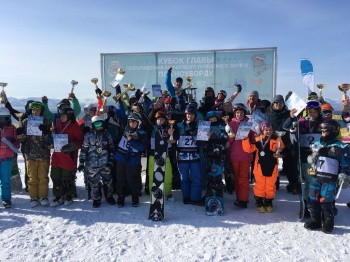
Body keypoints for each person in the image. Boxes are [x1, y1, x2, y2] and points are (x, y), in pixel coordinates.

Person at [304, 119, 350, 234]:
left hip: (330, 179)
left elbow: (346, 163)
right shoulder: (318, 144)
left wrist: (344, 175)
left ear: (333, 132)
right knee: (313, 198)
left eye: (326, 132)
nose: (323, 134)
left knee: (326, 200)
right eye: (322, 132)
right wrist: (311, 158)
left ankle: (328, 221)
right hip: (316, 176)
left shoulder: (341, 147)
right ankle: (315, 219)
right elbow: (313, 157)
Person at [283, 100, 323, 217]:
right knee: (307, 182)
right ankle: (306, 206)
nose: (312, 114)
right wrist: (291, 117)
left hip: (319, 157)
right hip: (305, 157)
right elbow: (285, 127)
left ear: (319, 112)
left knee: (317, 182)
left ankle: (318, 205)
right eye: (310, 112)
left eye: (314, 112)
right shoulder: (301, 122)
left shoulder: (323, 123)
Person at [242, 121, 284, 212]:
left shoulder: (276, 139)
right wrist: (245, 140)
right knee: (260, 185)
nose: (268, 132)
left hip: (272, 167)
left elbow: (281, 149)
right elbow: (248, 149)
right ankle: (259, 201)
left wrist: (280, 148)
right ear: (262, 130)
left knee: (270, 185)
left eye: (270, 130)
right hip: (259, 168)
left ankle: (268, 201)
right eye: (266, 130)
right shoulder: (257, 139)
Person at [17, 102, 52, 207]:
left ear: (41, 111)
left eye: (38, 110)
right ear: (30, 111)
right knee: (32, 178)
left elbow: (51, 139)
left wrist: (46, 132)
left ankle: (43, 196)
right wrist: (20, 135)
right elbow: (22, 139)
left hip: (43, 153)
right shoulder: (25, 122)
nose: (35, 112)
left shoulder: (46, 122)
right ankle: (33, 197)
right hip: (30, 153)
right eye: (33, 110)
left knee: (43, 177)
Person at [78, 116, 116, 208]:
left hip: (105, 163)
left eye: (100, 124)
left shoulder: (107, 135)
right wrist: (81, 162)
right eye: (96, 124)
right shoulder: (88, 135)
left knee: (108, 181)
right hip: (92, 163)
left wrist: (111, 160)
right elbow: (84, 149)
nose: (99, 126)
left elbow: (112, 148)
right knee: (94, 182)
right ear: (92, 125)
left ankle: (109, 196)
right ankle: (96, 199)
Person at [50, 107, 83, 207]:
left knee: (67, 177)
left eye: (64, 116)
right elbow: (54, 135)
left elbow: (81, 141)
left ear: (69, 116)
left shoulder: (74, 126)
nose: (62, 117)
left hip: (68, 157)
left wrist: (71, 146)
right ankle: (58, 196)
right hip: (57, 155)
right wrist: (51, 142)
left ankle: (69, 195)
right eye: (61, 115)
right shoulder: (58, 123)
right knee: (55, 176)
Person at [115, 113, 147, 207]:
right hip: (120, 158)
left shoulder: (141, 134)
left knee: (132, 179)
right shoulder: (125, 130)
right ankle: (120, 197)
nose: (131, 124)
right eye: (130, 122)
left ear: (138, 123)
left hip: (132, 159)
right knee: (121, 179)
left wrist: (131, 140)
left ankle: (135, 197)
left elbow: (141, 147)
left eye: (134, 122)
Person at [267, 95, 297, 194]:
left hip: (287, 143)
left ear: (284, 103)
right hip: (272, 142)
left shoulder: (289, 113)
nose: (278, 104)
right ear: (273, 103)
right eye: (276, 102)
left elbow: (294, 124)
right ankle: (274, 183)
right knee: (272, 164)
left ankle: (293, 184)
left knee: (290, 165)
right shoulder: (268, 114)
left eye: (280, 102)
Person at [228, 103, 255, 208]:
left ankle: (243, 200)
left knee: (243, 178)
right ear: (235, 113)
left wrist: (253, 138)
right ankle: (238, 197)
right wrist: (230, 136)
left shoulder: (248, 123)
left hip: (245, 156)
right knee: (236, 177)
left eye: (242, 112)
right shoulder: (231, 124)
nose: (240, 114)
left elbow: (253, 138)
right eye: (238, 112)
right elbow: (229, 141)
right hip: (234, 155)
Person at [174, 103, 203, 205]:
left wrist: (204, 136)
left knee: (197, 178)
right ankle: (186, 197)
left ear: (195, 115)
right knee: (184, 178)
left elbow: (202, 143)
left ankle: (195, 198)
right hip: (182, 156)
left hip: (195, 156)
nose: (189, 116)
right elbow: (173, 139)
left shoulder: (199, 126)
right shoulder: (179, 125)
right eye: (187, 114)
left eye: (191, 114)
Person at [147, 110, 174, 201]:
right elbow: (145, 120)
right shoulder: (151, 128)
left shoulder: (168, 129)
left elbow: (173, 142)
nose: (159, 121)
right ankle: (154, 194)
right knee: (153, 176)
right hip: (153, 155)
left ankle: (167, 194)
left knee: (168, 176)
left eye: (161, 119)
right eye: (158, 119)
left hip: (165, 155)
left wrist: (171, 136)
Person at [0, 107, 20, 208]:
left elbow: (17, 142)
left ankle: (6, 199)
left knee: (5, 179)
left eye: (5, 118)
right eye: (1, 118)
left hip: (7, 158)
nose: (3, 121)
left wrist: (15, 144)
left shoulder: (12, 128)